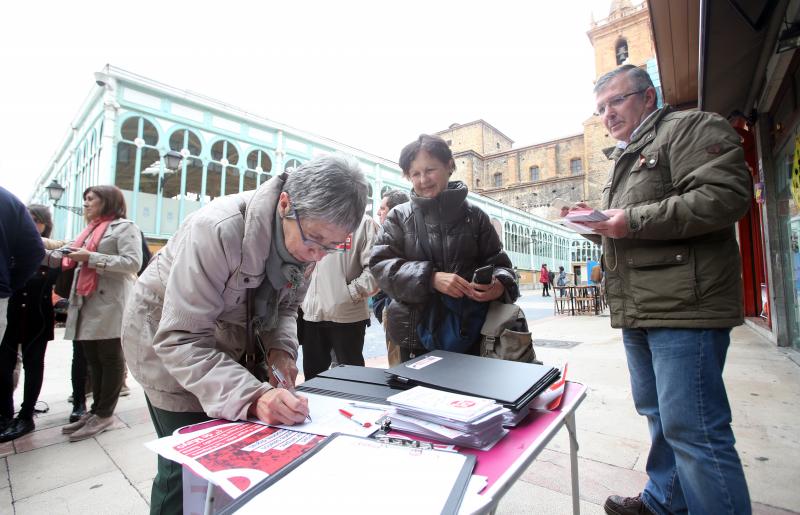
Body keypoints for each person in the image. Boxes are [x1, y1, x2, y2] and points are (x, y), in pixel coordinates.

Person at [121, 155, 368, 515]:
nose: (316, 254)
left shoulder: (309, 241)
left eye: (332, 246)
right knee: (188, 470)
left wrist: (282, 352)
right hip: (168, 348)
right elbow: (180, 339)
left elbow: (285, 308)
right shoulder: (217, 229)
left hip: (231, 342)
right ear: (286, 204)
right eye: (314, 240)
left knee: (237, 463)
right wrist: (254, 395)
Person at [577, 64, 752, 515]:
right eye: (600, 108)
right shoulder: (628, 154)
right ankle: (664, 500)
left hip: (685, 306)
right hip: (642, 305)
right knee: (659, 415)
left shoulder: (690, 127)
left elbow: (726, 196)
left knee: (695, 431)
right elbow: (633, 226)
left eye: (616, 101)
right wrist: (596, 223)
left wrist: (627, 220)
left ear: (648, 97)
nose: (608, 115)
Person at [370, 134, 519, 362]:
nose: (423, 180)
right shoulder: (398, 217)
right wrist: (430, 278)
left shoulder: (476, 217)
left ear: (449, 166)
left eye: (430, 170)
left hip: (473, 335)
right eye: (415, 174)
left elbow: (502, 265)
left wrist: (499, 285)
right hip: (414, 338)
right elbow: (380, 266)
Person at [59, 185, 143, 442]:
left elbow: (133, 262)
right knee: (92, 359)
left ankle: (105, 413)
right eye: (84, 199)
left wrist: (91, 257)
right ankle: (95, 410)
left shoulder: (125, 227)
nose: (86, 203)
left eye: (91, 199)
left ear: (107, 201)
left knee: (110, 357)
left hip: (109, 304)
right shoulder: (90, 229)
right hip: (86, 301)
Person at [0, 205, 58, 441]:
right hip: (12, 314)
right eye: (29, 219)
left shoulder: (49, 251)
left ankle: (26, 415)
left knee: (34, 365)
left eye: (37, 219)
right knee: (4, 365)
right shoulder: (13, 243)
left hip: (38, 316)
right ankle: (5, 414)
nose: (32, 223)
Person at [300, 213, 379, 379]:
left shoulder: (363, 223)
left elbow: (376, 269)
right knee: (312, 379)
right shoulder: (310, 218)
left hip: (348, 317)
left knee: (351, 379)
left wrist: (349, 294)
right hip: (311, 315)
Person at [372, 189, 409, 367]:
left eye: (383, 208)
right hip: (392, 311)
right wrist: (382, 309)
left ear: (395, 210)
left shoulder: (408, 234)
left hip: (411, 314)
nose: (378, 212)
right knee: (397, 367)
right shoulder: (384, 235)